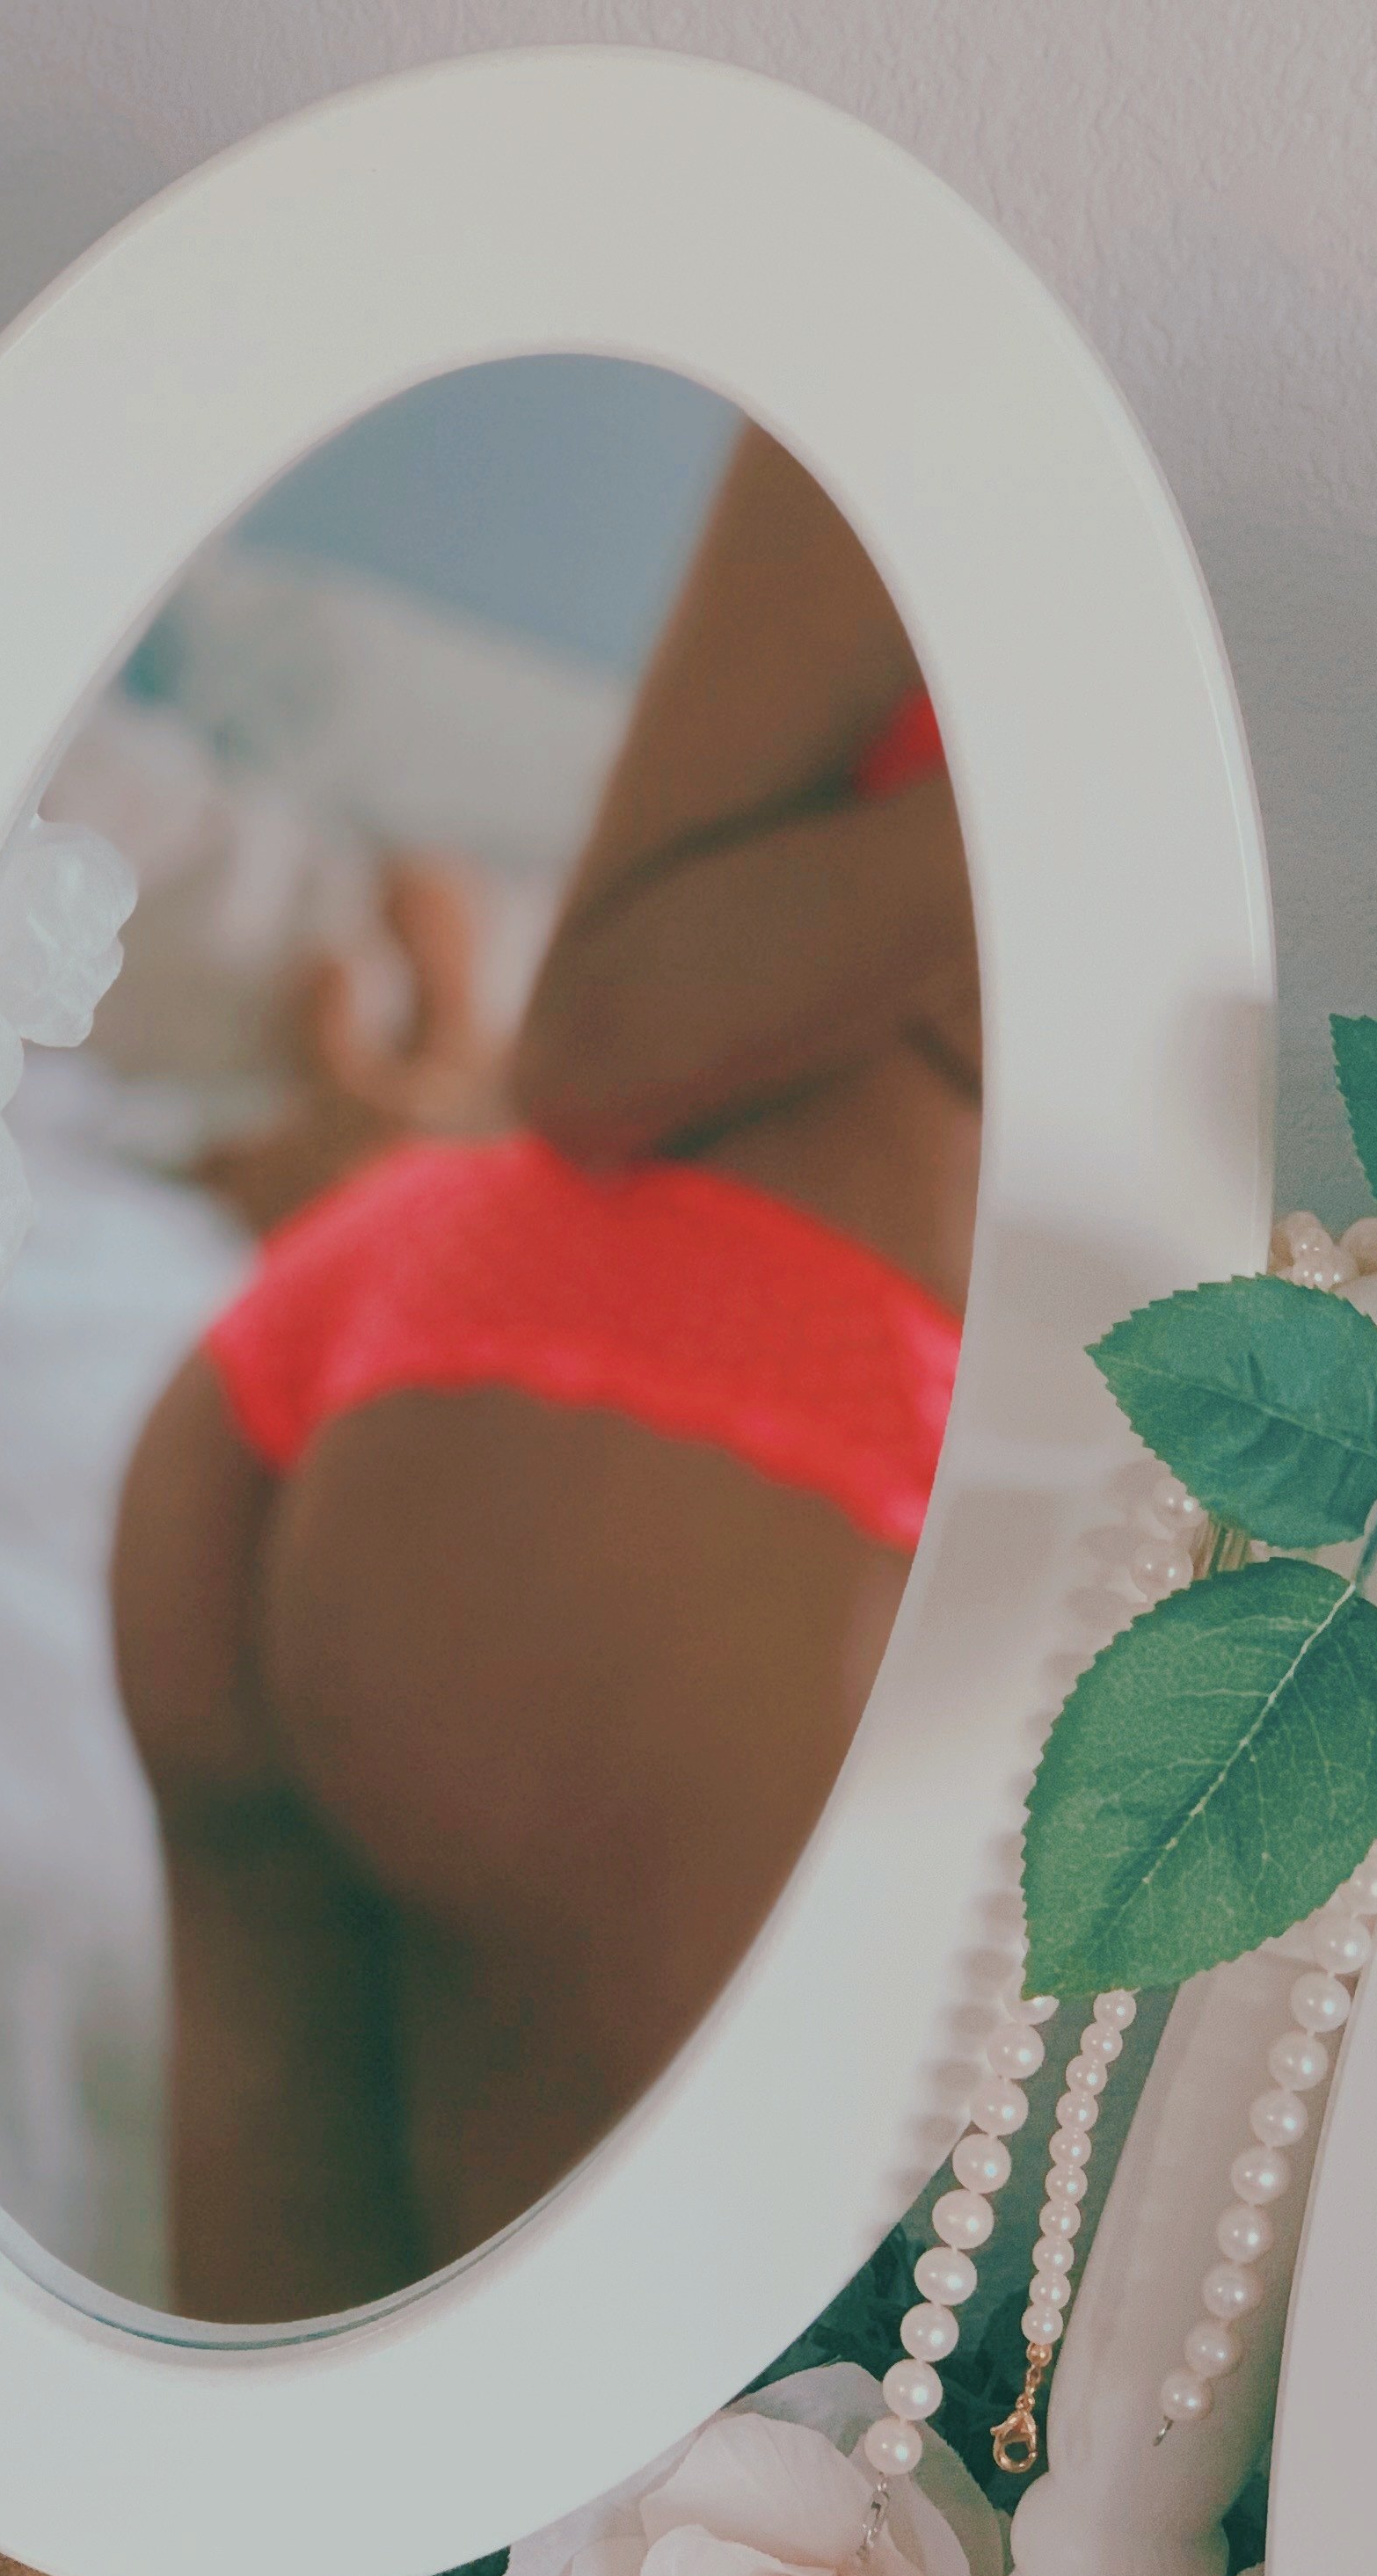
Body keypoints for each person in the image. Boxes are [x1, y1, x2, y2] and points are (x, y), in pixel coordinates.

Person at [112, 426, 982, 2320]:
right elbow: (598, 1043)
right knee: (550, 2452)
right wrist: (1029, 815)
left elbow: (574, 1046)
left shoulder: (943, 420)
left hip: (420, 1342)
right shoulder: (989, 466)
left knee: (265, 2445)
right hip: (697, 1429)